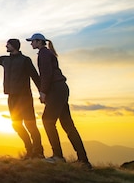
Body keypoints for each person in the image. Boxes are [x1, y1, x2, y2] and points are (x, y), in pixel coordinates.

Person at [26, 33, 92, 169]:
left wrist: (43, 92)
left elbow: (46, 74)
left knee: (47, 121)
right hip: (61, 89)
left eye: (32, 41)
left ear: (39, 42)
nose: (31, 44)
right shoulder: (47, 53)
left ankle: (58, 156)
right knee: (68, 125)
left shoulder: (43, 54)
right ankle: (83, 161)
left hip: (55, 89)